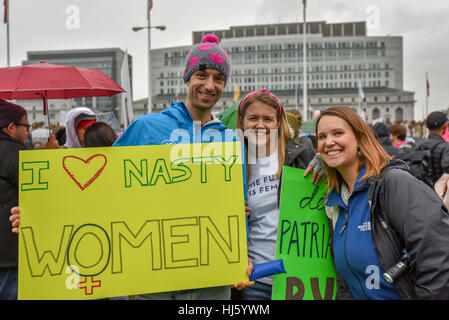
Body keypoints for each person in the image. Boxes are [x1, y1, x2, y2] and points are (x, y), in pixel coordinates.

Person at [113, 33, 253, 299]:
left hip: (212, 284)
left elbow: (238, 207)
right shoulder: (146, 127)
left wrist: (239, 256)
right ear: (187, 77)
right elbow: (101, 186)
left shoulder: (231, 141)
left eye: (219, 78)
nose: (210, 85)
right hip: (155, 281)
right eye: (202, 75)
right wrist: (45, 215)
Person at [315, 106, 449, 299]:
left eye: (338, 133)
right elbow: (346, 283)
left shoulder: (393, 183)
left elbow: (438, 256)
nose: (329, 142)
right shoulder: (334, 202)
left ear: (360, 138)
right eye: (321, 137)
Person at [236, 89, 315, 300]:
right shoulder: (233, 164)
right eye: (253, 118)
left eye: (268, 119)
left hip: (301, 278)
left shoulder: (302, 155)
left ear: (278, 123)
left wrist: (327, 168)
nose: (260, 125)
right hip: (256, 279)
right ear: (242, 122)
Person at [0, 99, 31, 300]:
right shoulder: (19, 155)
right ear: (11, 128)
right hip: (11, 256)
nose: (28, 131)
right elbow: (44, 196)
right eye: (26, 126)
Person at [418, 111, 449, 185]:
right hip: (440, 193)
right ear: (445, 126)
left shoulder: (418, 147)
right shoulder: (446, 148)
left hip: (422, 192)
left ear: (426, 126)